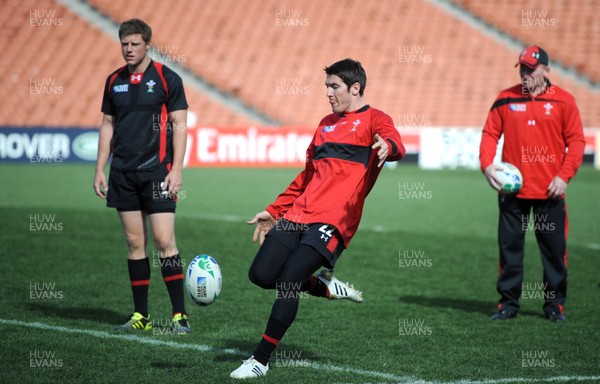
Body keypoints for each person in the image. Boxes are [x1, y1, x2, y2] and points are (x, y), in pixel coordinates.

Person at [230, 58, 406, 379]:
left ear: (355, 88)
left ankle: (260, 360)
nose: (327, 92)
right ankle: (323, 285)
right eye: (326, 86)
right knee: (260, 274)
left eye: (334, 86)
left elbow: (395, 142)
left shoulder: (374, 119)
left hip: (334, 220)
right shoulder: (325, 123)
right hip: (299, 214)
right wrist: (274, 210)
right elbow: (307, 176)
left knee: (288, 283)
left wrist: (388, 146)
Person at [93, 19, 190, 334]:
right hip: (122, 173)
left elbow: (179, 124)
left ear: (148, 44)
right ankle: (141, 316)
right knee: (135, 242)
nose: (128, 49)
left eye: (135, 44)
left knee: (164, 241)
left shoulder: (166, 78)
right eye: (124, 44)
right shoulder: (113, 81)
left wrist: (176, 169)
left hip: (158, 172)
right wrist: (100, 168)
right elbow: (108, 124)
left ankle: (179, 315)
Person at [479, 45, 585, 322]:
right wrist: (487, 165)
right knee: (510, 251)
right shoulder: (505, 99)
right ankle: (508, 304)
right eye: (522, 69)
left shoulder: (564, 101)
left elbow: (576, 143)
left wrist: (564, 177)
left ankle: (554, 306)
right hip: (512, 193)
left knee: (553, 253)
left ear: (546, 70)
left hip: (550, 192)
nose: (526, 74)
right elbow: (490, 134)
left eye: (531, 69)